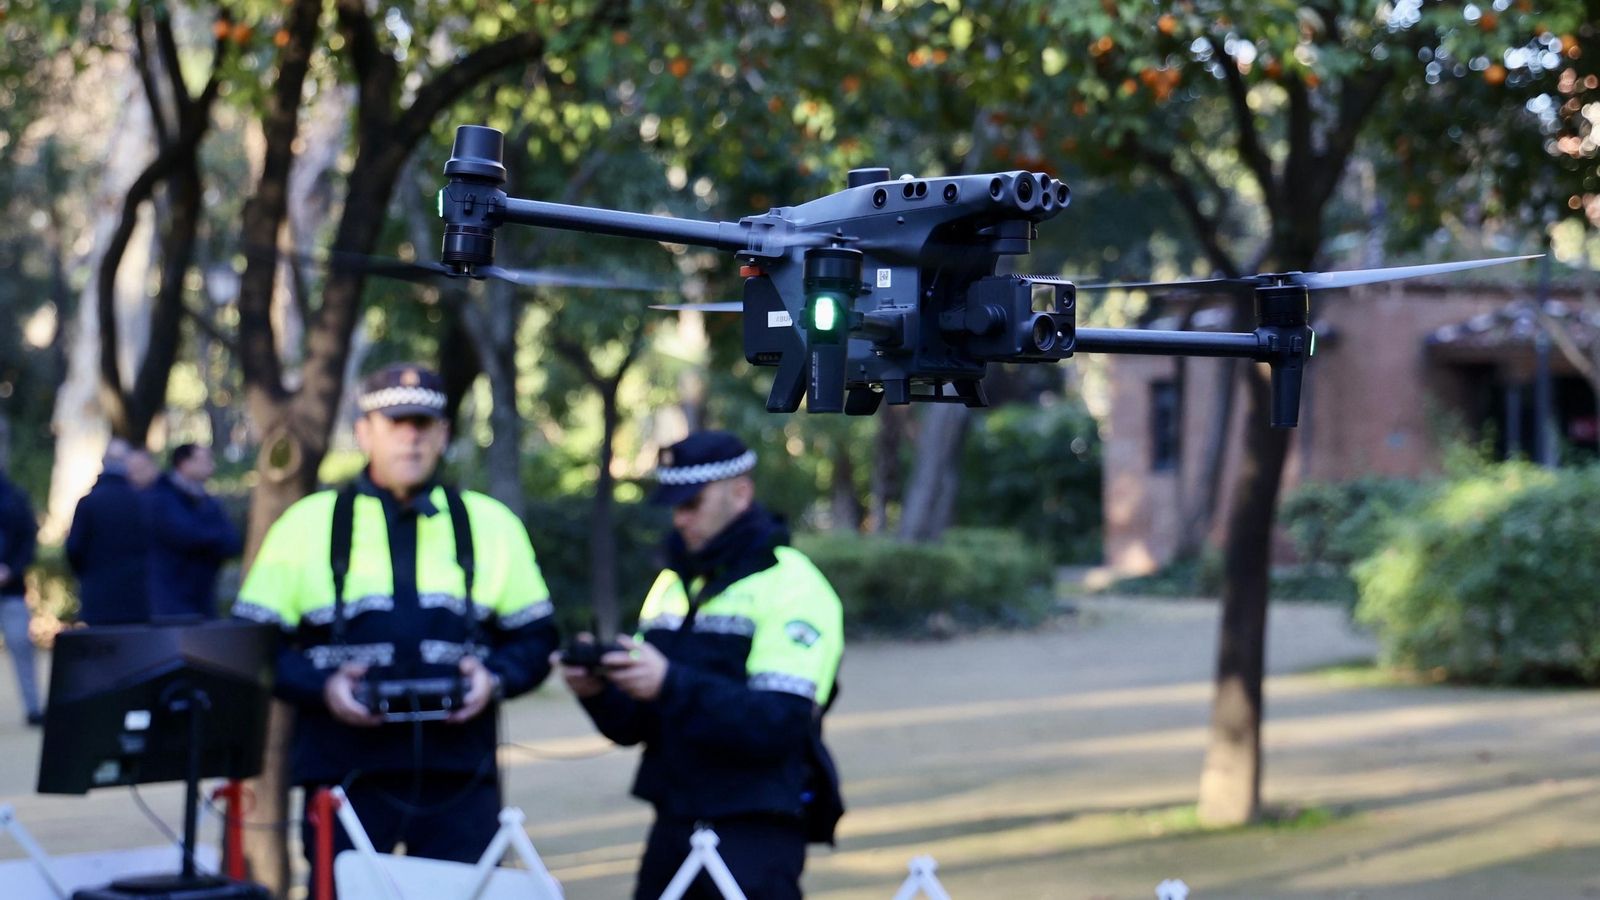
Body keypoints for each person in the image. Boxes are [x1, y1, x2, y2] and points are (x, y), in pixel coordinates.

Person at [233, 362, 559, 879]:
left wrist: (493, 678)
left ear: (444, 435)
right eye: (395, 423)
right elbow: (252, 647)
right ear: (363, 432)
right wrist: (325, 687)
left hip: (460, 777)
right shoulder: (306, 523)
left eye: (424, 425)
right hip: (344, 777)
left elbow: (538, 639)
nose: (411, 438)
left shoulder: (491, 524)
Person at [557, 430, 845, 900]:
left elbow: (780, 723)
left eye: (692, 503)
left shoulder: (794, 587)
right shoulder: (674, 582)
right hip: (674, 817)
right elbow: (637, 726)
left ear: (741, 492)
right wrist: (597, 691)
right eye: (674, 505)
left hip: (755, 825)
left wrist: (669, 683)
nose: (680, 518)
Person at [146, 443, 243, 620]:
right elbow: (184, 535)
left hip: (204, 596)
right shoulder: (161, 498)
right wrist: (213, 539)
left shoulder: (208, 502)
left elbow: (231, 541)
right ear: (184, 463)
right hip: (172, 599)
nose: (211, 466)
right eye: (204, 460)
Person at [65, 439, 156, 625]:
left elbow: (74, 548)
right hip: (137, 596)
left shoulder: (89, 503)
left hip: (98, 596)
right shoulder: (143, 502)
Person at [0, 466, 41, 725]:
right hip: (11, 582)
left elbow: (29, 537)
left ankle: (34, 707)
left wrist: (11, 570)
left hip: (12, 586)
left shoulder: (15, 497)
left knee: (21, 646)